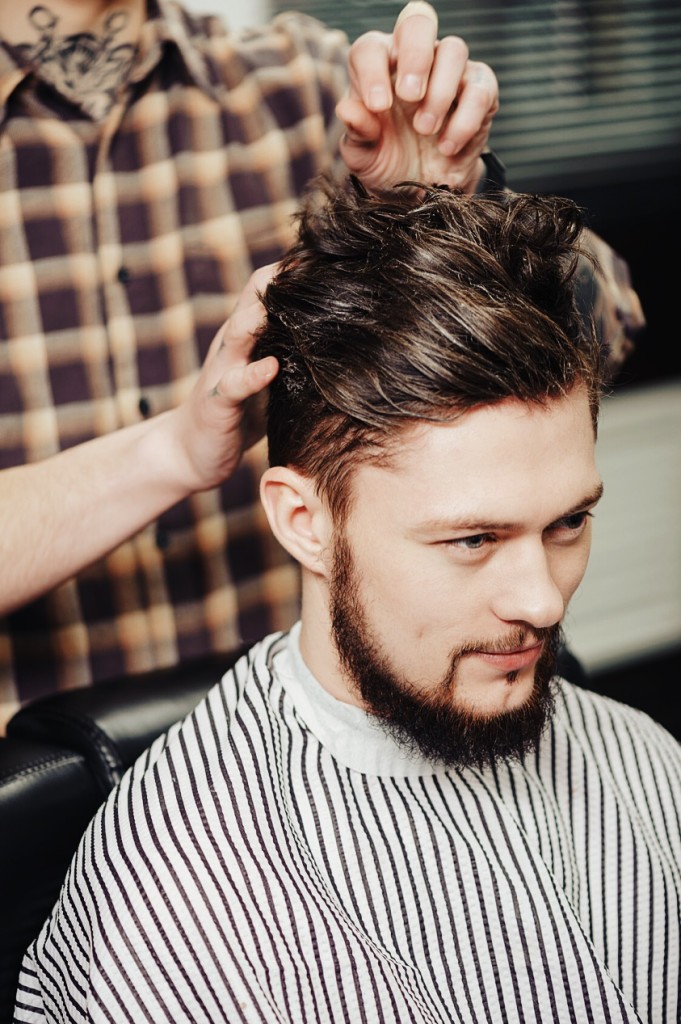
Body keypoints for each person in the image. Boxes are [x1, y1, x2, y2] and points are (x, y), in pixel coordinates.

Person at [14, 178, 678, 1023]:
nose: (543, 603)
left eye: (568, 523)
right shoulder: (182, 898)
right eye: (471, 540)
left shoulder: (642, 763)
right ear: (305, 521)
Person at [0, 0, 642, 732]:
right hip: (28, 794)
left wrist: (452, 210)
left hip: (354, 734)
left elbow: (605, 327)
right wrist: (173, 451)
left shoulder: (306, 89)